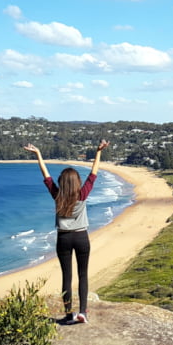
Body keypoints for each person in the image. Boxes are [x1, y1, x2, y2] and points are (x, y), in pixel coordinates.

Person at [22, 139, 109, 324]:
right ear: (77, 182)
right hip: (81, 237)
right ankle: (82, 313)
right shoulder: (83, 194)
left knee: (66, 277)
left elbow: (46, 177)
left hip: (63, 238)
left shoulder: (57, 196)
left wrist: (38, 154)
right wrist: (98, 151)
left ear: (62, 182)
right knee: (83, 275)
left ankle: (69, 314)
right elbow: (93, 174)